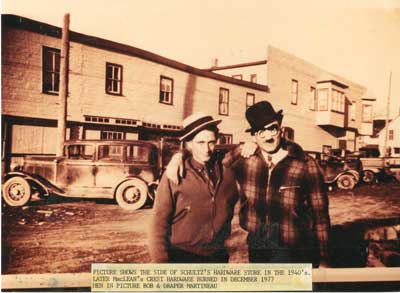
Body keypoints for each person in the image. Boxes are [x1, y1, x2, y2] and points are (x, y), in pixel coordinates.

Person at [167, 101, 330, 267]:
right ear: (254, 135)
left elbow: (321, 215)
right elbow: (205, 157)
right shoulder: (245, 158)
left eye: (272, 129)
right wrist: (178, 157)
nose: (268, 136)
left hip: (293, 246)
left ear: (280, 128)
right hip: (257, 243)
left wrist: (324, 258)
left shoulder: (304, 163)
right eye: (261, 131)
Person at [148, 113, 238, 263]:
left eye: (211, 142)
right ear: (189, 144)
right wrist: (161, 262)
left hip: (217, 257)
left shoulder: (226, 171)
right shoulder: (175, 174)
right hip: (182, 256)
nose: (207, 149)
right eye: (200, 142)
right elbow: (158, 224)